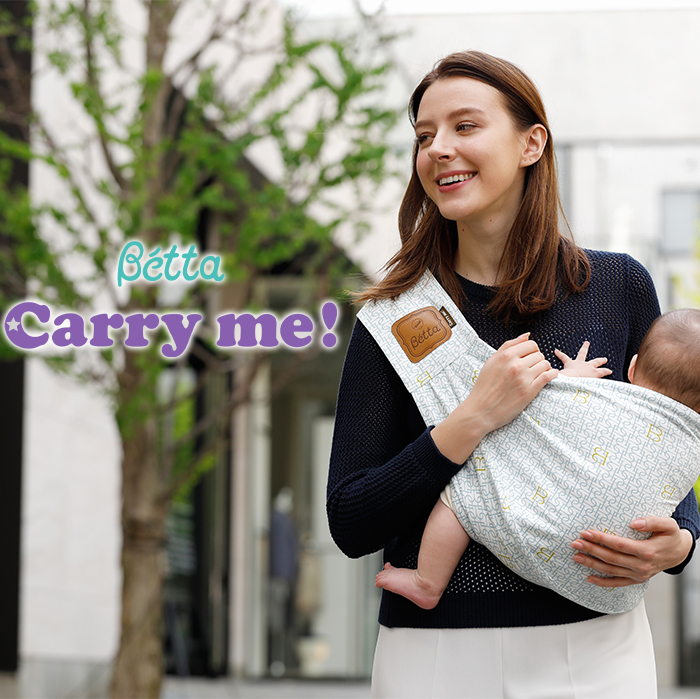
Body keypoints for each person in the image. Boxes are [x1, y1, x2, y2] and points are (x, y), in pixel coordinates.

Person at [326, 50, 700, 699]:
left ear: (532, 142)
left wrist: (681, 545)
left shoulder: (615, 286)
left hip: (596, 651)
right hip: (433, 655)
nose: (439, 148)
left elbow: (664, 451)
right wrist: (471, 419)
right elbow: (350, 519)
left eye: (464, 126)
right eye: (424, 135)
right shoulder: (396, 315)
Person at [374, 310, 700, 612]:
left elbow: (549, 393)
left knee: (459, 499)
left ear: (631, 368)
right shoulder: (691, 448)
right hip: (607, 578)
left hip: (523, 535)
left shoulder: (597, 397)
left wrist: (576, 374)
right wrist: (683, 541)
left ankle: (427, 582)